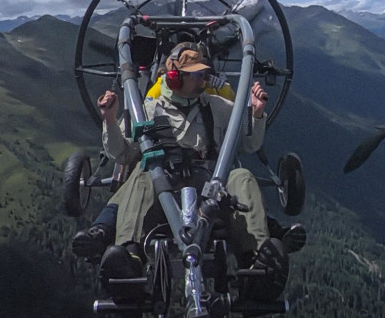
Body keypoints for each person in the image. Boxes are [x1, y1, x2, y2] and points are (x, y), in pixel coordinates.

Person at [78, 42, 290, 302]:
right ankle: (128, 257)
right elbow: (122, 153)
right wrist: (110, 120)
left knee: (242, 177)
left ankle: (258, 261)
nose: (203, 78)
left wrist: (256, 114)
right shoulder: (148, 109)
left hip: (208, 183)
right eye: (196, 74)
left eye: (203, 72)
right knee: (143, 172)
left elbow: (248, 144)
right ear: (175, 77)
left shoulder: (216, 106)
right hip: (162, 186)